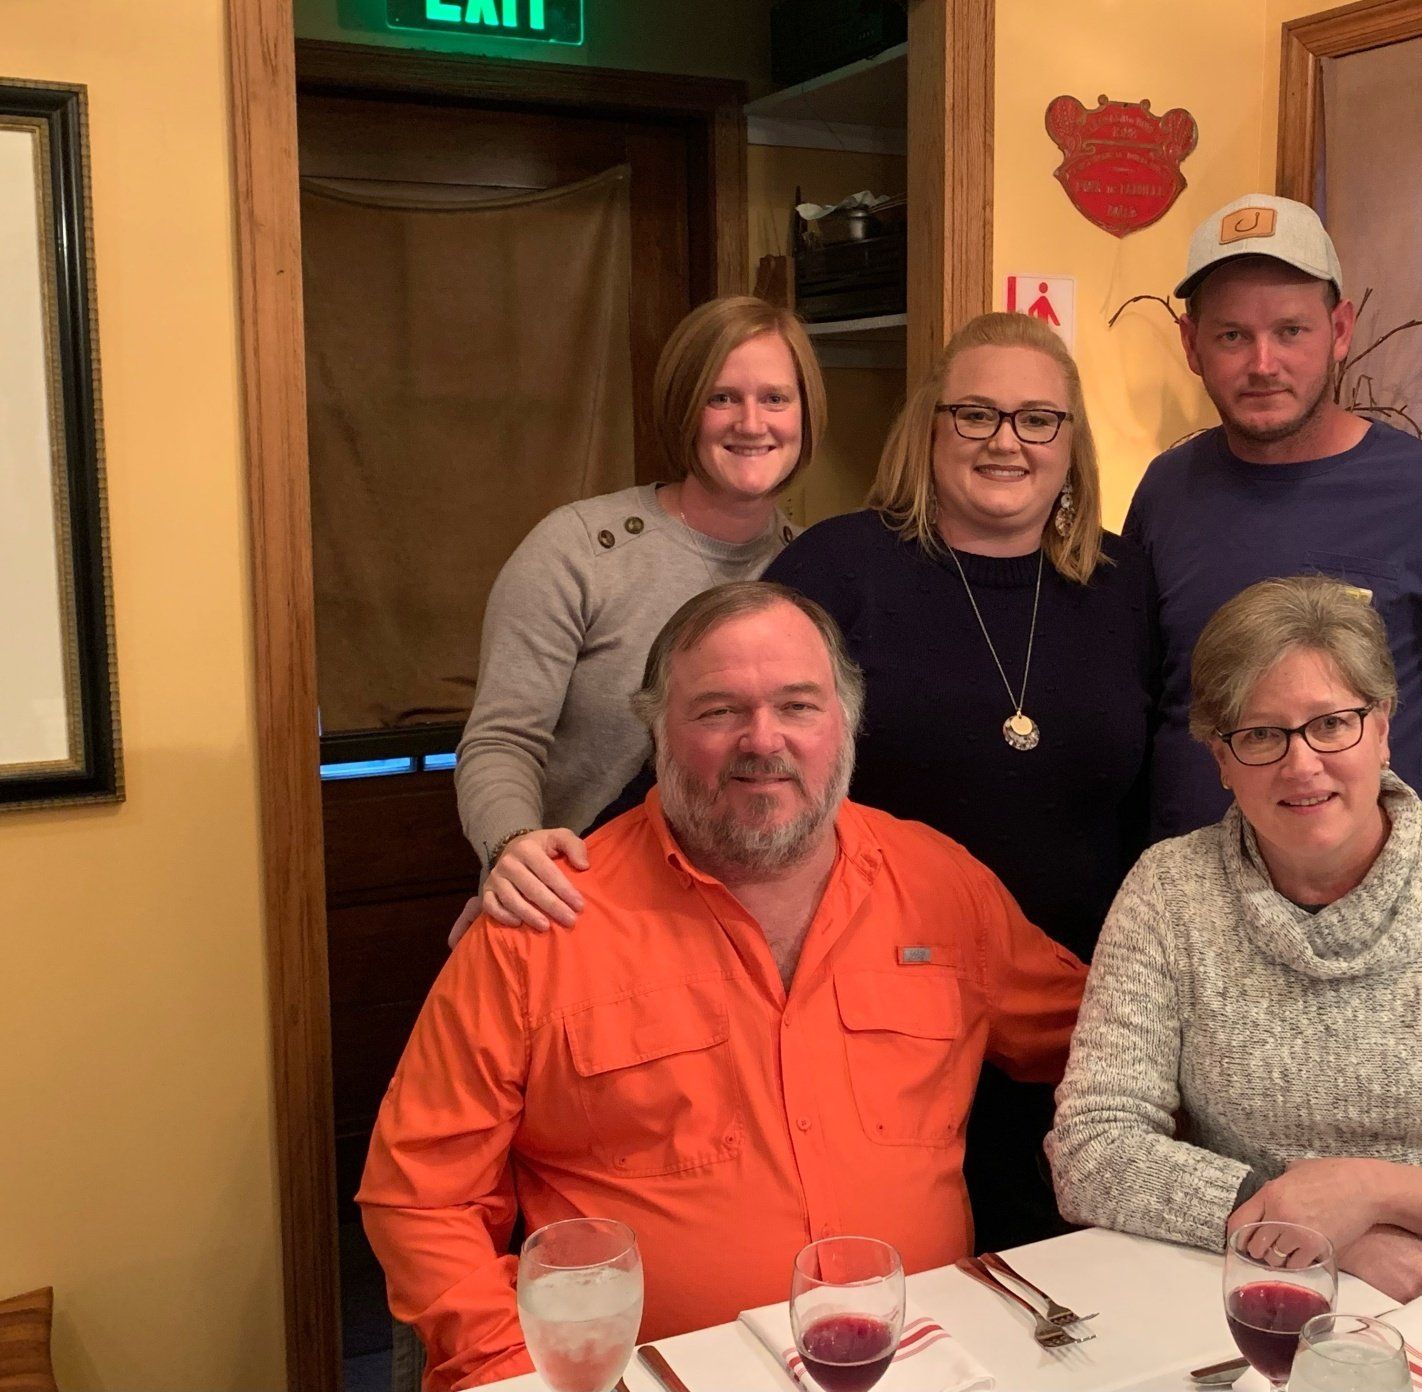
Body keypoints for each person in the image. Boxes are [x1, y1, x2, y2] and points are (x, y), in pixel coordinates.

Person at [360, 582, 1087, 1391]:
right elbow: (423, 1197)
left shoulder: (942, 887)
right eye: (718, 711)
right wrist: (514, 1366)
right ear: (657, 729)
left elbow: (1106, 1045)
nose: (762, 740)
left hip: (920, 1360)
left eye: (798, 706)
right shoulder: (545, 920)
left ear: (845, 722)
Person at [1048, 576, 1422, 1361]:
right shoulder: (1169, 893)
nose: (1302, 765)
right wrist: (1313, 1235)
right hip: (1257, 1330)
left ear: (1384, 730)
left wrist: (1373, 1193)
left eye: (1332, 723)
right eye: (1261, 735)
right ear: (1221, 758)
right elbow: (1092, 1147)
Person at [763, 311, 1157, 1249]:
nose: (1005, 442)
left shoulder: (1125, 583)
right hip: (878, 1009)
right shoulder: (839, 566)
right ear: (929, 429)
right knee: (900, 1269)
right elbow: (730, 738)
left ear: (1072, 443)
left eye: (1036, 420)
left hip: (1080, 1012)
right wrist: (551, 859)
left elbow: (1162, 792)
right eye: (974, 414)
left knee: (1066, 1283)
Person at [1125, 193, 1422, 905]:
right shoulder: (1168, 491)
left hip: (1365, 931)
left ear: (1340, 330)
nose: (1263, 363)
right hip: (1186, 923)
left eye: (1291, 330)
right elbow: (1138, 703)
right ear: (1191, 345)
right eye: (1232, 336)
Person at [449, 296, 824, 944]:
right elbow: (500, 741)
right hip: (585, 910)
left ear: (805, 414)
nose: (752, 422)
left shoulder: (820, 569)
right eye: (722, 398)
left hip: (755, 928)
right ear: (684, 409)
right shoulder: (577, 551)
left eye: (775, 399)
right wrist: (512, 849)